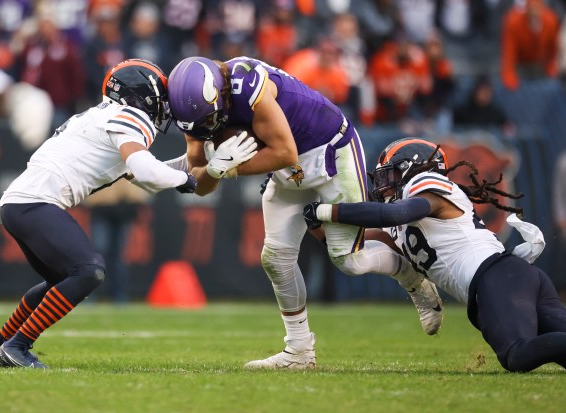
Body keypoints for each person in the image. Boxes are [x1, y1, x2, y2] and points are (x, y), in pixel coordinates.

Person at [166, 56, 443, 370]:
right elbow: (199, 182)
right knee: (275, 257)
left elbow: (285, 151)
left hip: (329, 152)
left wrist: (228, 171)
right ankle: (299, 351)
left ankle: (412, 277)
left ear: (219, 94)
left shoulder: (249, 88)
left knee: (349, 259)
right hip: (288, 169)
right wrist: (212, 171)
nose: (206, 129)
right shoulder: (195, 111)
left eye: (208, 120)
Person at [0, 59, 197, 369]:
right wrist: (185, 179)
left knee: (59, 279)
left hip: (18, 204)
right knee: (88, 271)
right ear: (141, 95)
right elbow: (146, 172)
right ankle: (17, 347)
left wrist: (199, 164)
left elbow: (144, 174)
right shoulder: (130, 115)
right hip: (35, 203)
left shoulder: (99, 116)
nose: (163, 106)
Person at [303, 138, 566, 372]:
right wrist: (314, 223)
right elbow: (347, 243)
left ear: (413, 169)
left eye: (390, 174)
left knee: (516, 354)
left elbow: (396, 213)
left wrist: (327, 211)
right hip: (512, 277)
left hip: (496, 278)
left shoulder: (428, 187)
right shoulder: (400, 228)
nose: (383, 186)